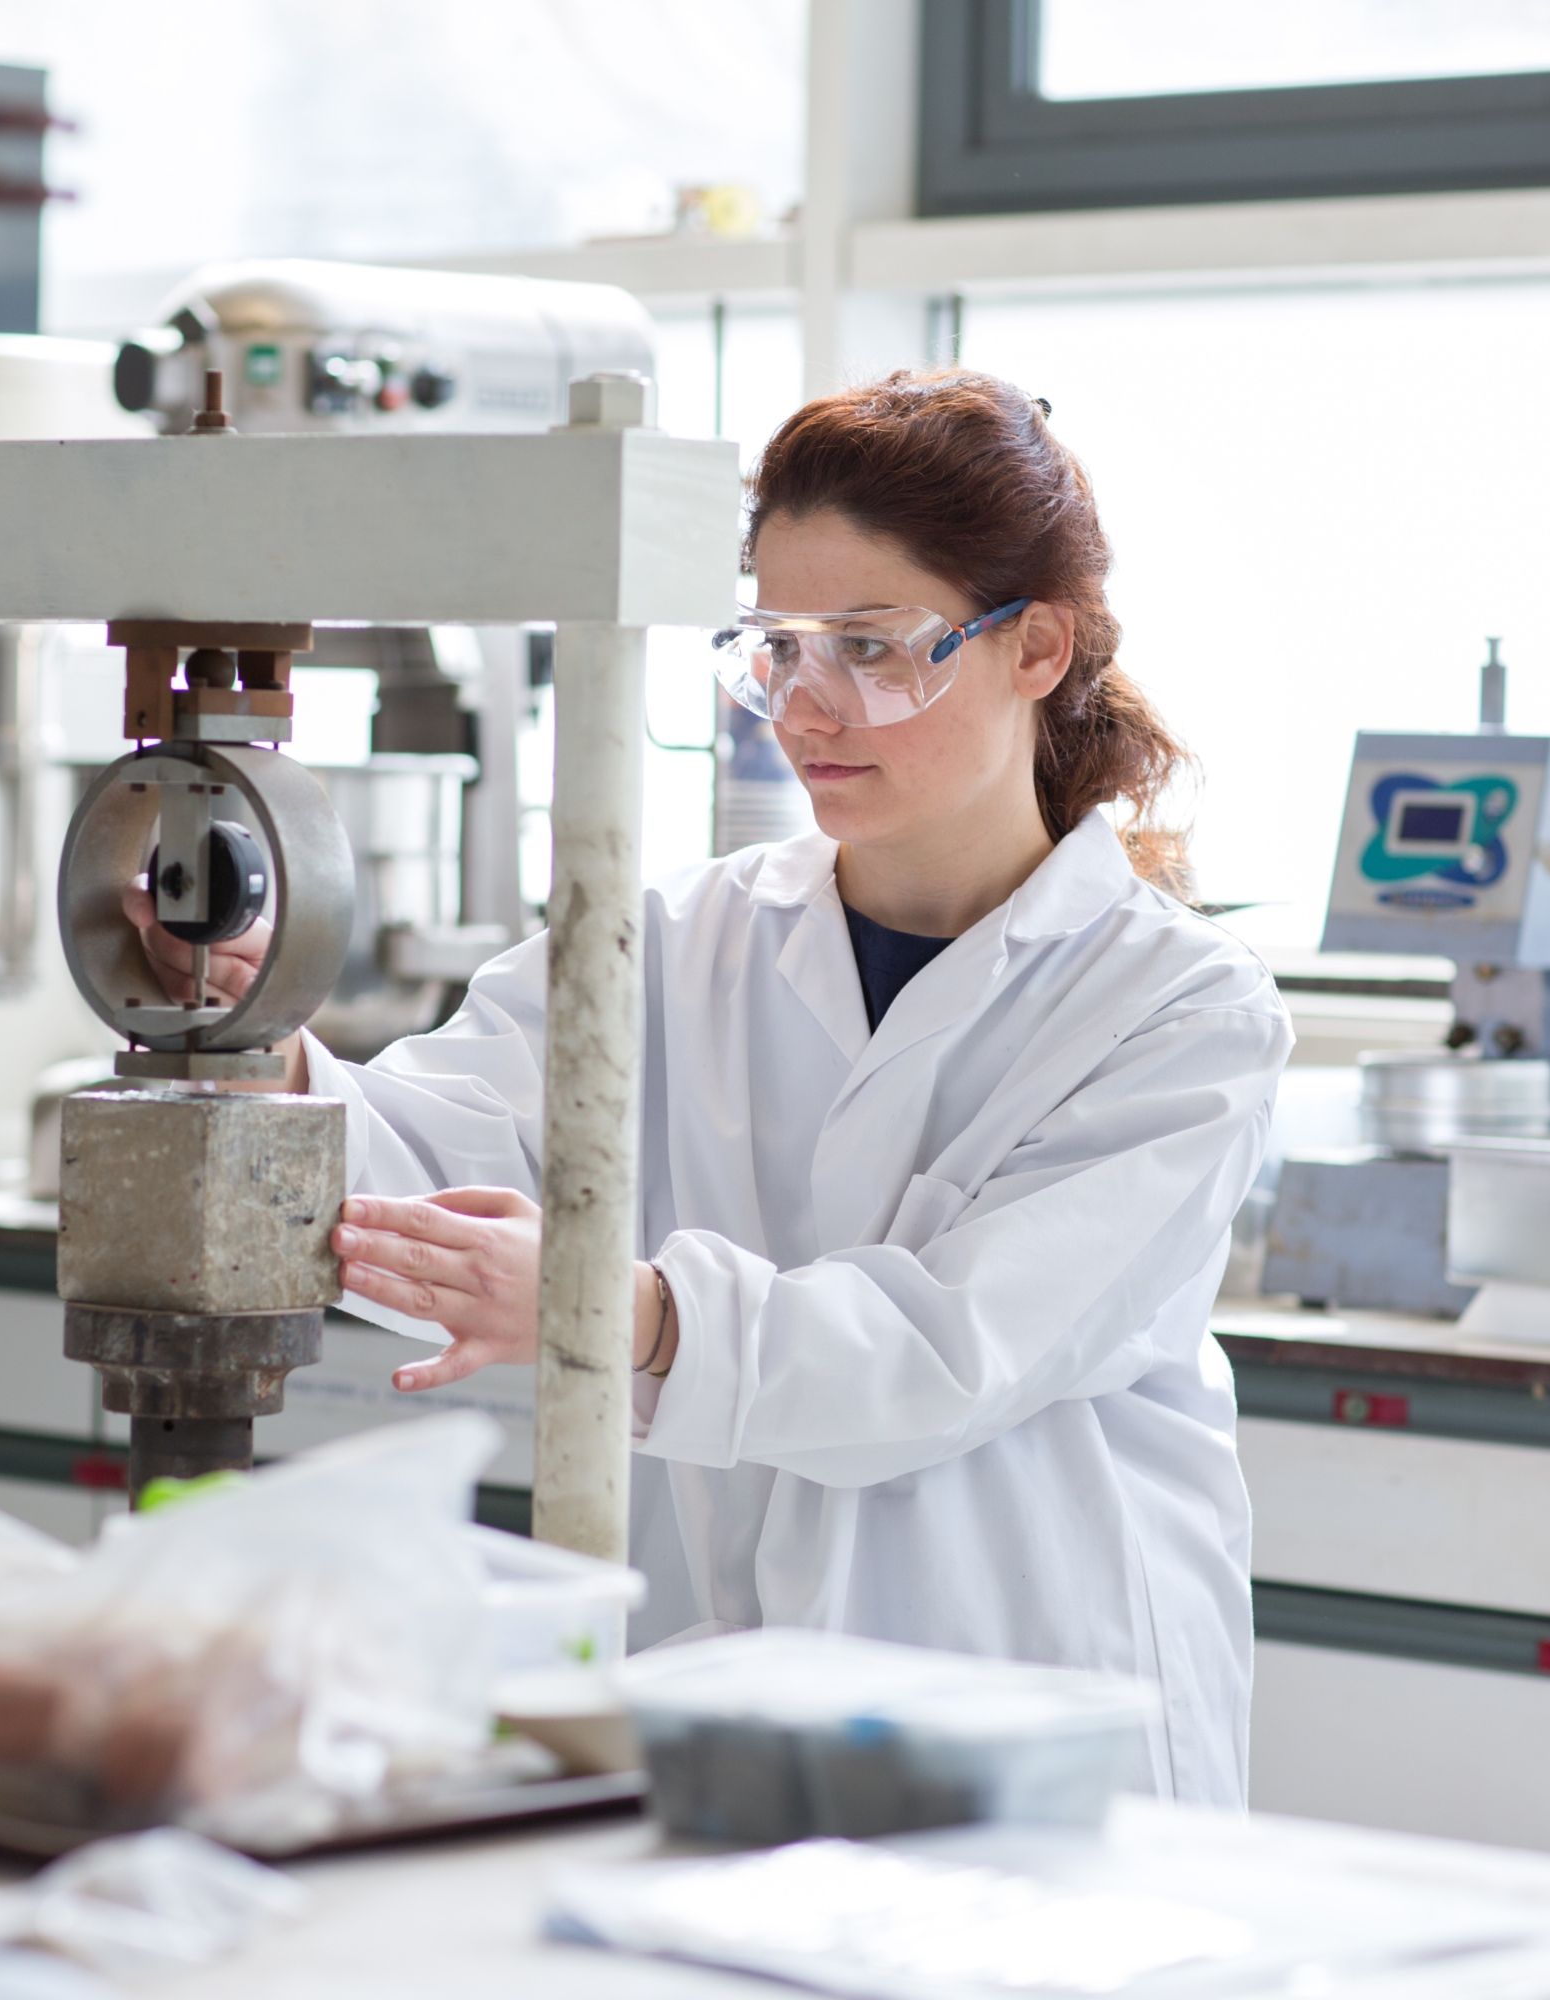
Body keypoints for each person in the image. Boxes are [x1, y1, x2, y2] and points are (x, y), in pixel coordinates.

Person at [118, 369, 1291, 1806]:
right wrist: (258, 1032)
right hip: (738, 1700)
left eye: (871, 647)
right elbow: (421, 1156)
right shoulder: (678, 940)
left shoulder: (1176, 1008)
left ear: (1036, 647)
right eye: (778, 648)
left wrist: (632, 1313)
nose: (808, 708)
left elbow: (950, 1353)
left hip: (1047, 1701)